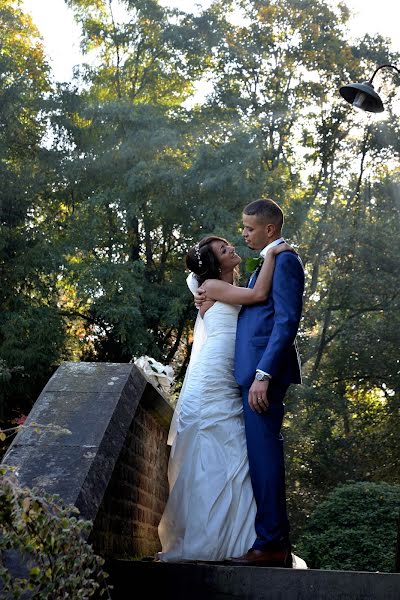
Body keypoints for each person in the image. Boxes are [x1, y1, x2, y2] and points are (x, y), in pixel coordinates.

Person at [157, 231, 297, 563]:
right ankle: (213, 537)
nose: (232, 246)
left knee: (234, 447)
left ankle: (244, 537)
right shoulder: (216, 287)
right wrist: (273, 255)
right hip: (216, 368)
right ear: (215, 263)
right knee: (214, 443)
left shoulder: (216, 288)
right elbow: (261, 294)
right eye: (223, 249)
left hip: (232, 369)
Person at [198, 198, 304, 568]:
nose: (242, 234)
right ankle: (272, 542)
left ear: (269, 229)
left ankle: (272, 544)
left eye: (248, 228)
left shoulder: (286, 260)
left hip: (264, 377)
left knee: (265, 458)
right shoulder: (263, 266)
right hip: (252, 374)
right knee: (259, 460)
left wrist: (263, 374)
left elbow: (286, 322)